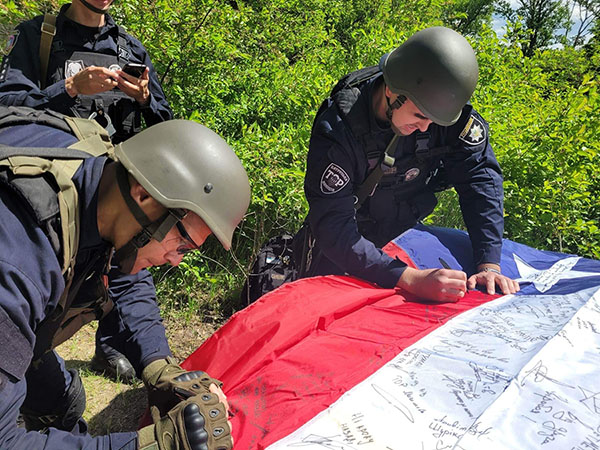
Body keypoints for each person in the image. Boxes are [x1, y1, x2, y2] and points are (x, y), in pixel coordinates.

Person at [0, 105, 250, 449]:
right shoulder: (18, 266)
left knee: (62, 402)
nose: (177, 261)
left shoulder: (100, 175)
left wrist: (158, 364)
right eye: (184, 243)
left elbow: (123, 268)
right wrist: (152, 445)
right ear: (144, 195)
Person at [0, 0, 174, 381]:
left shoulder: (129, 49)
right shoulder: (38, 36)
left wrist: (145, 98)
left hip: (116, 190)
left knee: (126, 262)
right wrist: (69, 88)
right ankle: (28, 351)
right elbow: (7, 106)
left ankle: (112, 346)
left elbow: (164, 126)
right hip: (52, 189)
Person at [294, 26, 520, 303]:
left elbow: (480, 178)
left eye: (435, 121)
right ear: (391, 90)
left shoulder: (441, 110)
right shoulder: (340, 128)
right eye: (419, 115)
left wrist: (489, 264)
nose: (426, 127)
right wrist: (409, 279)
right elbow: (333, 227)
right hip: (350, 239)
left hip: (404, 231)